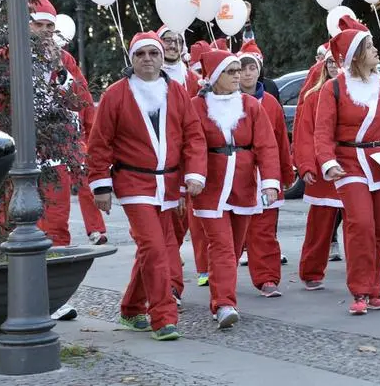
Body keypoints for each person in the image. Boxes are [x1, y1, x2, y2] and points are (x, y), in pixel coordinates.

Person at [87, 31, 207, 341]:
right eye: (141, 55)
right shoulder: (116, 94)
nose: (148, 59)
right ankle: (163, 318)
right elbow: (99, 142)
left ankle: (130, 308)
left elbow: (193, 135)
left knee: (148, 250)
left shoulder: (177, 92)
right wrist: (101, 186)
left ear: (162, 57)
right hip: (133, 182)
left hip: (167, 184)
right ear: (132, 59)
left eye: (153, 53)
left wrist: (193, 174)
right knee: (155, 249)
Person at [314, 21, 380, 315]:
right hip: (349, 164)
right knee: (360, 224)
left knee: (378, 229)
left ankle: (375, 289)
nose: (376, 49)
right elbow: (322, 131)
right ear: (355, 55)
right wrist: (328, 162)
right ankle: (360, 290)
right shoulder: (333, 88)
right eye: (369, 46)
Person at [30, 0, 108, 322]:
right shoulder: (5, 57)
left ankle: (55, 298)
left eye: (50, 26)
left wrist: (60, 71)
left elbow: (82, 102)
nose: (46, 31)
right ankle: (24, 298)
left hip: (54, 158)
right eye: (39, 25)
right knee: (21, 231)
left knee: (57, 228)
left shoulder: (64, 60)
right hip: (17, 159)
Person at [191, 49, 281, 328]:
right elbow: (189, 142)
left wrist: (270, 183)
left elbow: (267, 145)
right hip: (210, 187)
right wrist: (191, 176)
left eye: (238, 71)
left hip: (243, 185)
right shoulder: (196, 106)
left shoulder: (251, 106)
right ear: (216, 76)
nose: (238, 76)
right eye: (231, 71)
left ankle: (224, 296)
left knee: (236, 244)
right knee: (222, 246)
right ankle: (224, 303)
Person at [238, 40, 294, 297]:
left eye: (252, 67)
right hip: (237, 174)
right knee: (234, 232)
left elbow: (280, 140)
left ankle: (267, 278)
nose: (247, 73)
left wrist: (284, 172)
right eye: (242, 68)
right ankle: (220, 276)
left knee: (264, 229)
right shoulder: (227, 99)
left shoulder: (270, 103)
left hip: (265, 176)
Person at [156, 26, 209, 288]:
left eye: (177, 41)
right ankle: (170, 284)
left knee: (191, 224)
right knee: (167, 230)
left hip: (191, 159)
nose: (172, 45)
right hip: (162, 161)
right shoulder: (150, 79)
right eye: (167, 41)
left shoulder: (193, 80)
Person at [295, 48, 344, 290]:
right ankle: (311, 271)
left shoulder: (360, 92)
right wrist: (305, 165)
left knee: (364, 225)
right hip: (325, 169)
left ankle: (367, 274)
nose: (335, 66)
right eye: (331, 62)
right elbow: (305, 135)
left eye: (340, 61)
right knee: (320, 224)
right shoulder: (313, 97)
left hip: (354, 166)